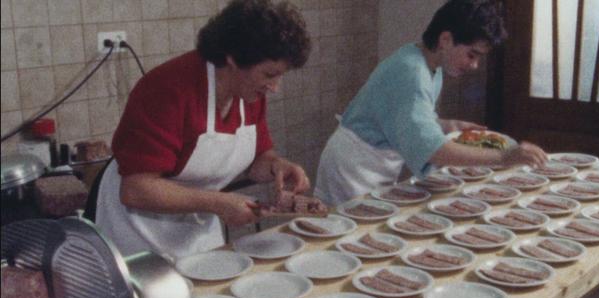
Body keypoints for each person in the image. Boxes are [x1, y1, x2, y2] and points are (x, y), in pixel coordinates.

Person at [91, 0, 311, 259]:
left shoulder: (248, 93)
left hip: (196, 231)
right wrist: (217, 203)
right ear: (233, 58)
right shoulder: (168, 89)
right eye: (269, 75)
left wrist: (277, 166)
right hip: (138, 237)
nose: (275, 87)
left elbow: (258, 160)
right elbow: (136, 189)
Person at [314, 0, 548, 206]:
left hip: (371, 164)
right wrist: (505, 157)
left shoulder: (425, 63)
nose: (474, 65)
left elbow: (402, 115)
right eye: (471, 54)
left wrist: (446, 125)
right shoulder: (411, 72)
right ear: (446, 39)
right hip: (353, 170)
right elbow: (435, 150)